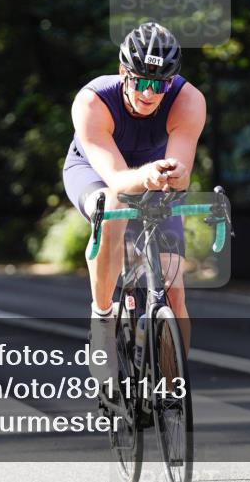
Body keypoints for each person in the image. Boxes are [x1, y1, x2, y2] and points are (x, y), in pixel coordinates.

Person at [63, 22, 206, 385]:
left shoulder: (189, 101)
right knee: (110, 206)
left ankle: (173, 386)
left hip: (155, 176)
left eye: (159, 84)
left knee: (173, 288)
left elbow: (182, 176)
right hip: (97, 172)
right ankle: (103, 318)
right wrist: (148, 178)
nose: (149, 92)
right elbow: (116, 179)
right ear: (124, 72)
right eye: (141, 80)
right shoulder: (92, 102)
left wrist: (174, 174)